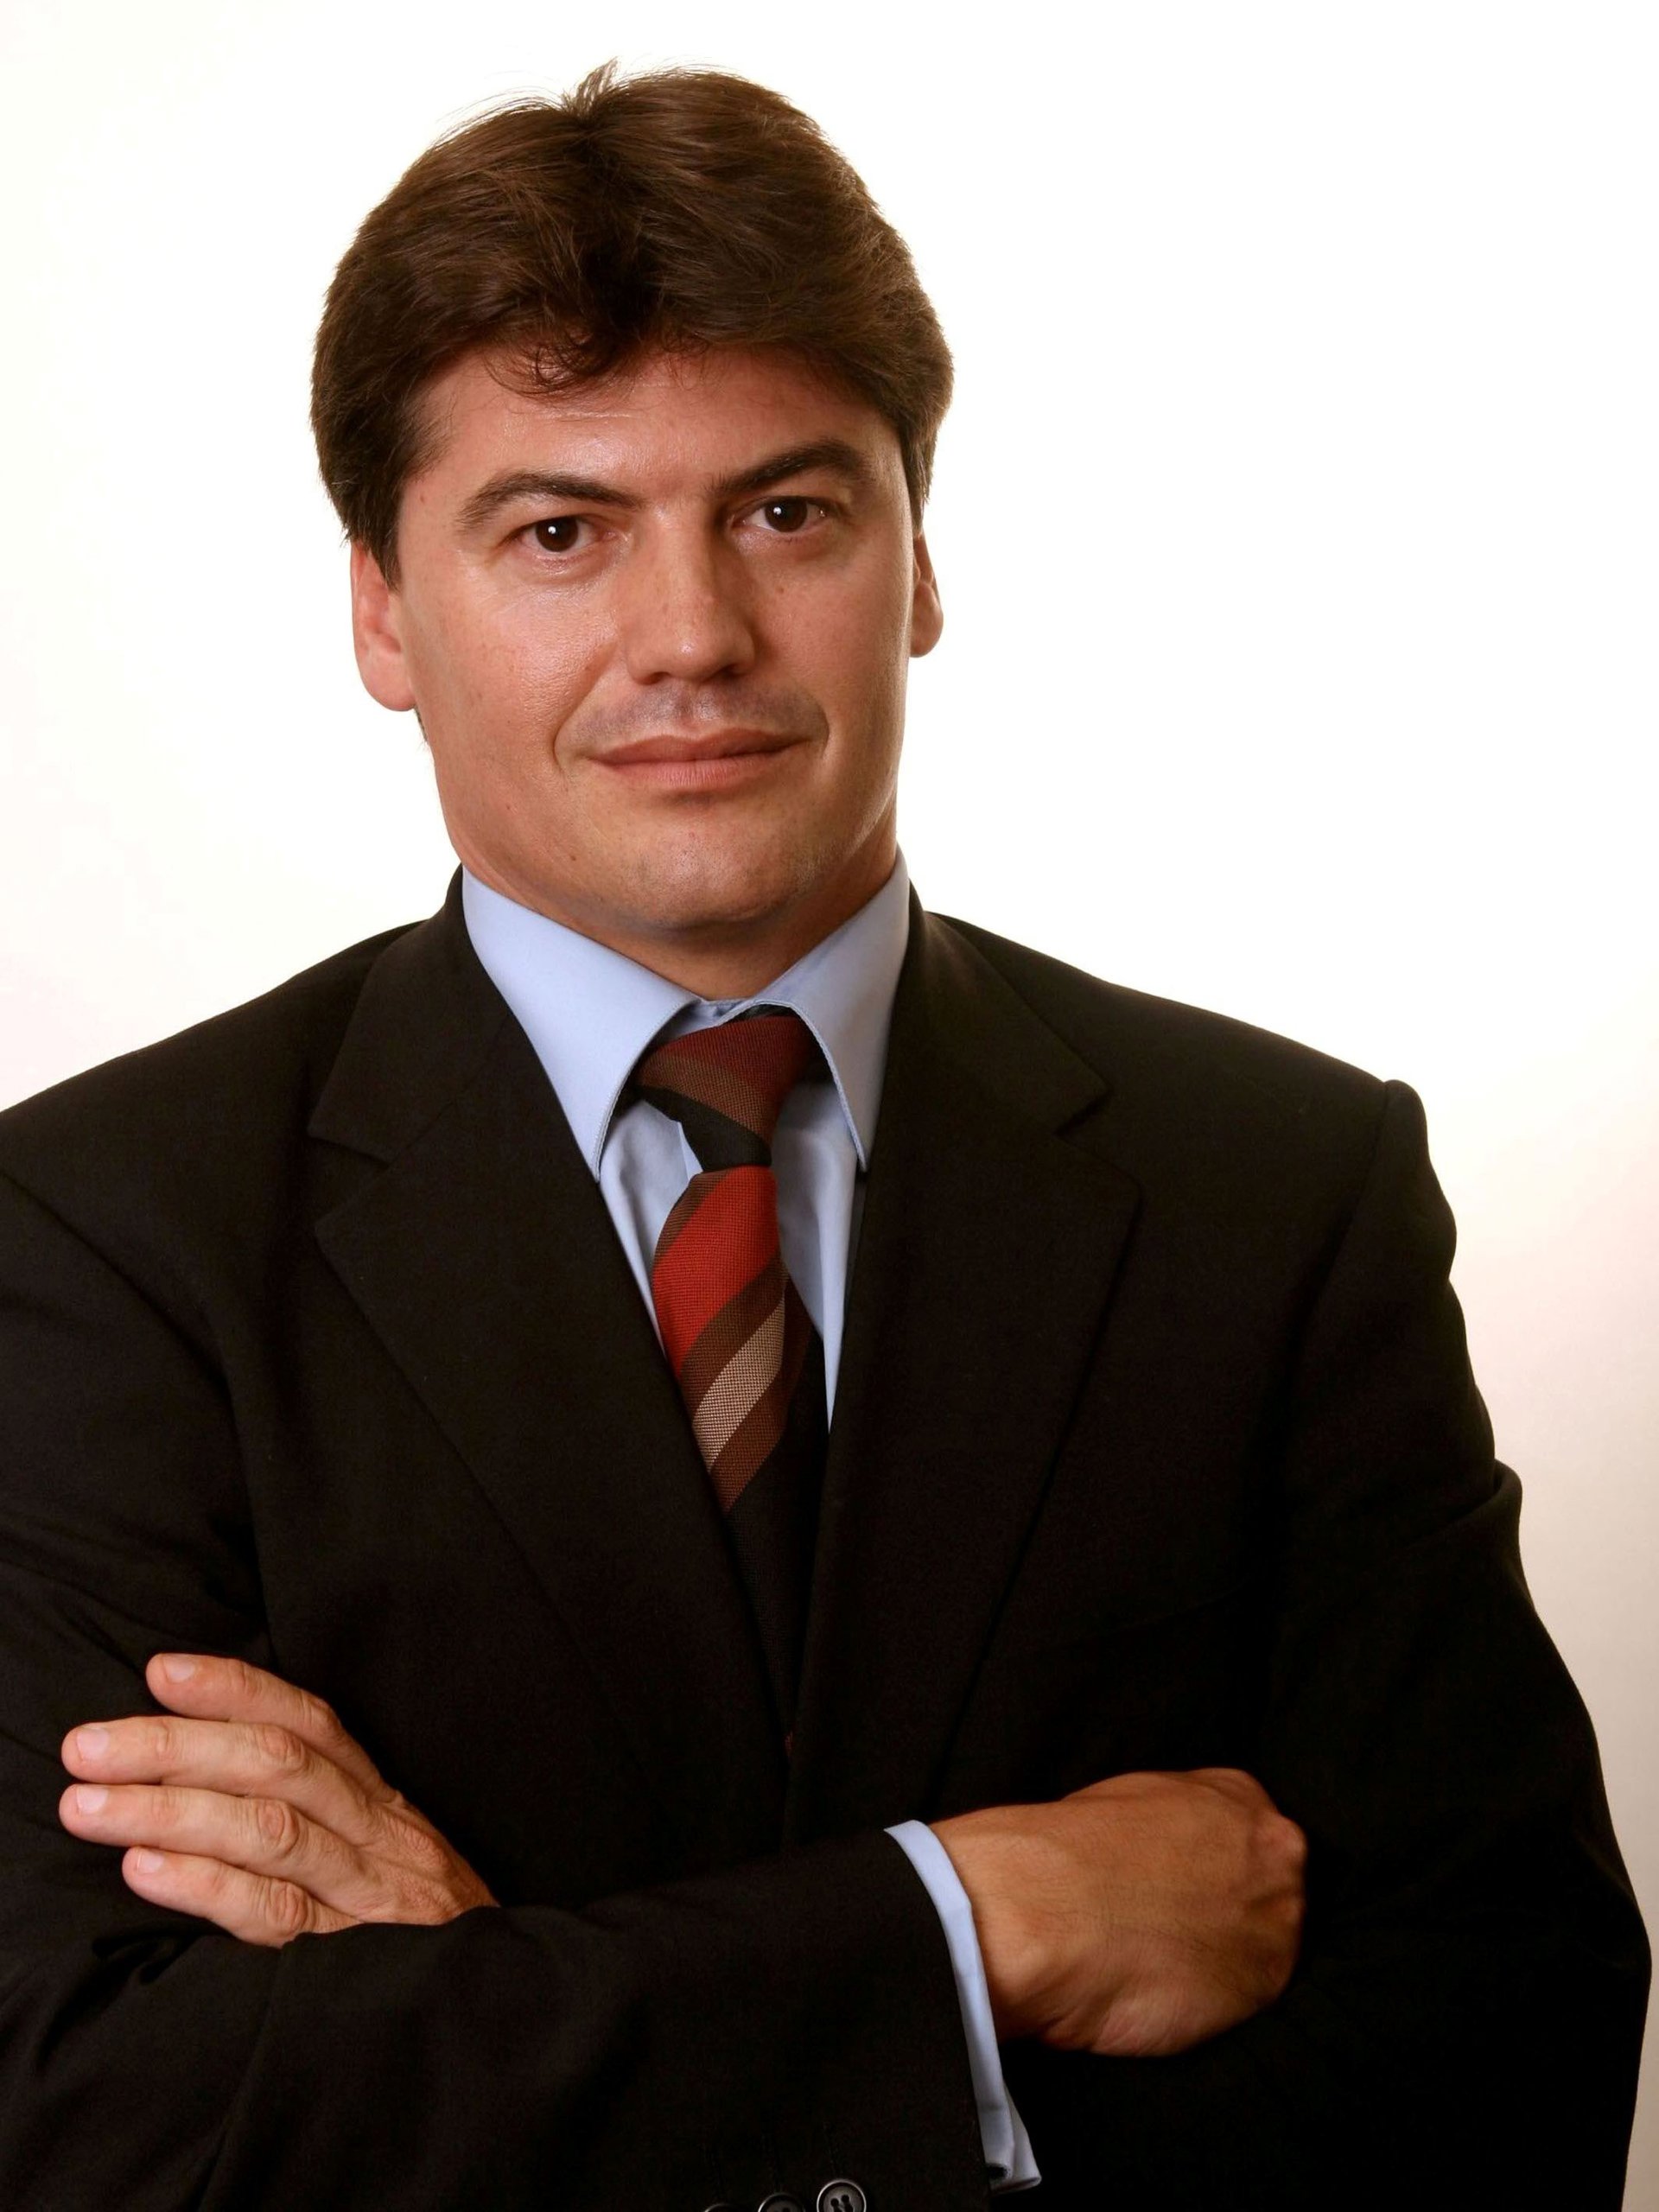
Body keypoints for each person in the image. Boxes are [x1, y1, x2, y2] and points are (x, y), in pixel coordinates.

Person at [0, 59, 1645, 2212]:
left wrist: (495, 1998)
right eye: (561, 533)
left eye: (787, 512)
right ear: (383, 610)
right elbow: (88, 2117)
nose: (692, 637)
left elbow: (1507, 2054)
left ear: (919, 562)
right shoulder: (102, 1235)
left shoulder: (1280, 1189)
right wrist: (975, 1926)